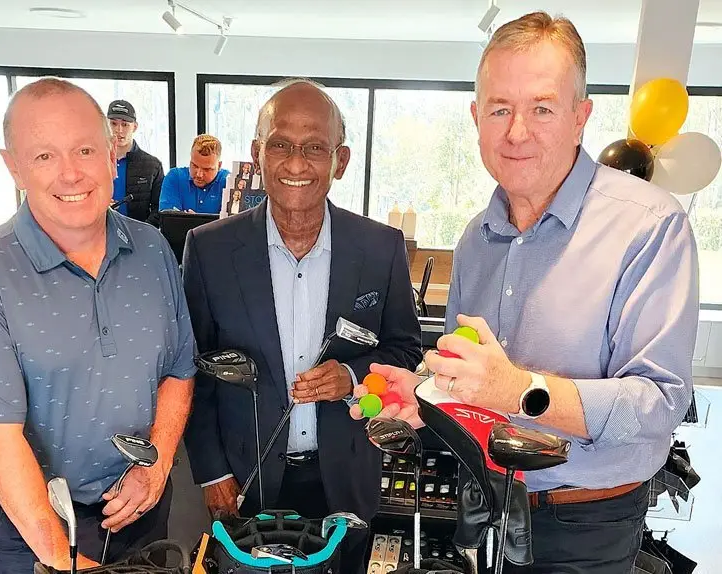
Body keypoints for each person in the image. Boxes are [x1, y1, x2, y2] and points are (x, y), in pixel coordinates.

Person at [351, 12, 699, 574]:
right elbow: (471, 384)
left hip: (588, 525)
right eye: (499, 109)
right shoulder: (476, 238)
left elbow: (659, 405)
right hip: (485, 507)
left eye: (541, 108)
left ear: (580, 117)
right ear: (476, 117)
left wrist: (520, 390)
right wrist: (424, 393)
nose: (517, 132)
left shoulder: (650, 225)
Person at [0, 78, 197, 573]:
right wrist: (64, 562)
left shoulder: (153, 249)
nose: (70, 174)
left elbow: (179, 370)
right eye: (43, 156)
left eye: (85, 149)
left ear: (111, 155)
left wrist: (157, 463)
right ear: (13, 166)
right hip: (38, 524)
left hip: (140, 509)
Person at [182, 79, 422, 571]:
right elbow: (194, 371)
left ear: (341, 160)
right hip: (244, 481)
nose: (296, 165)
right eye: (281, 146)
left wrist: (353, 378)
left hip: (344, 478)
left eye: (315, 148)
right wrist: (210, 473)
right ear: (257, 153)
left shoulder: (380, 249)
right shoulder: (208, 249)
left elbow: (405, 352)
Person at [107, 100, 165, 225]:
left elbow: (159, 209)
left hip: (138, 236)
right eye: (113, 123)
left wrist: (141, 233)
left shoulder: (153, 165)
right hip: (99, 235)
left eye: (125, 124)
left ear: (135, 127)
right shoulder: (92, 161)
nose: (119, 130)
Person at [159, 135, 229, 214]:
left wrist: (192, 220)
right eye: (194, 166)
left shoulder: (229, 182)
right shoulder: (175, 178)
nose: (199, 174)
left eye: (206, 169)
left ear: (219, 166)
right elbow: (168, 220)